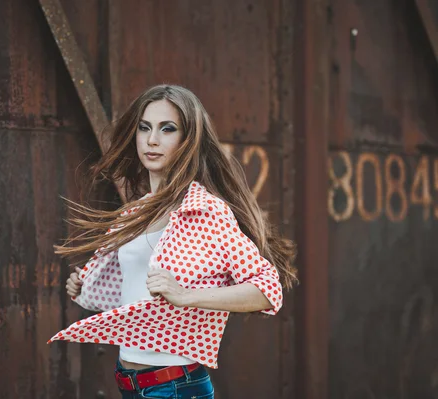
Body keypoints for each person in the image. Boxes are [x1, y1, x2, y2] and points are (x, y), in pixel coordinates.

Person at [48, 84, 298, 398]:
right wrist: (85, 288)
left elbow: (267, 289)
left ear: (187, 139)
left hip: (175, 387)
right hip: (129, 383)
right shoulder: (134, 214)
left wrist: (186, 296)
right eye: (144, 128)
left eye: (167, 129)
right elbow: (140, 300)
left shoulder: (205, 212)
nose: (152, 140)